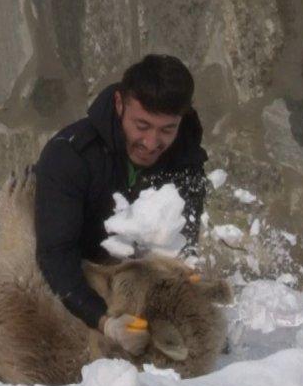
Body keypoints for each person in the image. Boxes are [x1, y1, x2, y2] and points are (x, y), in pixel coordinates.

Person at [34, 54, 207, 357]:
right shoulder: (70, 155)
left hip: (132, 278)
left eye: (167, 129)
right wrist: (104, 321)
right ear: (118, 104)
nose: (152, 143)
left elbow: (181, 245)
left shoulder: (186, 161)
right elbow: (55, 253)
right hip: (70, 272)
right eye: (142, 125)